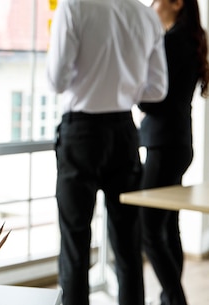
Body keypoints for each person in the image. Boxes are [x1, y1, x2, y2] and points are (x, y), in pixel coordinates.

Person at [47, 0, 168, 304]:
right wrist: (124, 86)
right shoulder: (144, 15)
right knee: (128, 243)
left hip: (81, 132)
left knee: (76, 242)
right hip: (124, 131)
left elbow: (57, 81)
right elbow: (157, 89)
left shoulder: (73, 7)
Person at [138, 1, 209, 304]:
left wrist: (136, 92)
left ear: (177, 3)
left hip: (164, 144)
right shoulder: (190, 38)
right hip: (178, 143)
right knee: (167, 226)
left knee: (148, 228)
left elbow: (152, 100)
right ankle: (171, 299)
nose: (152, 4)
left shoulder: (172, 41)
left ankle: (175, 298)